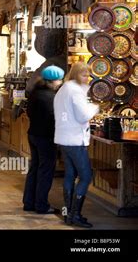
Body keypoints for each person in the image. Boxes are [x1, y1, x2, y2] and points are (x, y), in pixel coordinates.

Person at [54, 62, 99, 228]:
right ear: (75, 75)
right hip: (75, 140)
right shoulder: (75, 91)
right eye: (83, 74)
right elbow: (83, 116)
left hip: (64, 138)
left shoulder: (64, 89)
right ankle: (75, 215)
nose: (87, 78)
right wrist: (95, 107)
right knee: (86, 176)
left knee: (70, 175)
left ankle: (68, 215)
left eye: (88, 75)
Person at [23, 65, 65, 214]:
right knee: (45, 171)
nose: (60, 83)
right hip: (45, 137)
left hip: (33, 134)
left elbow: (29, 112)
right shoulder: (50, 97)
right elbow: (53, 119)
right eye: (59, 80)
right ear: (52, 81)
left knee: (34, 168)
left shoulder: (35, 92)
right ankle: (41, 205)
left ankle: (29, 202)